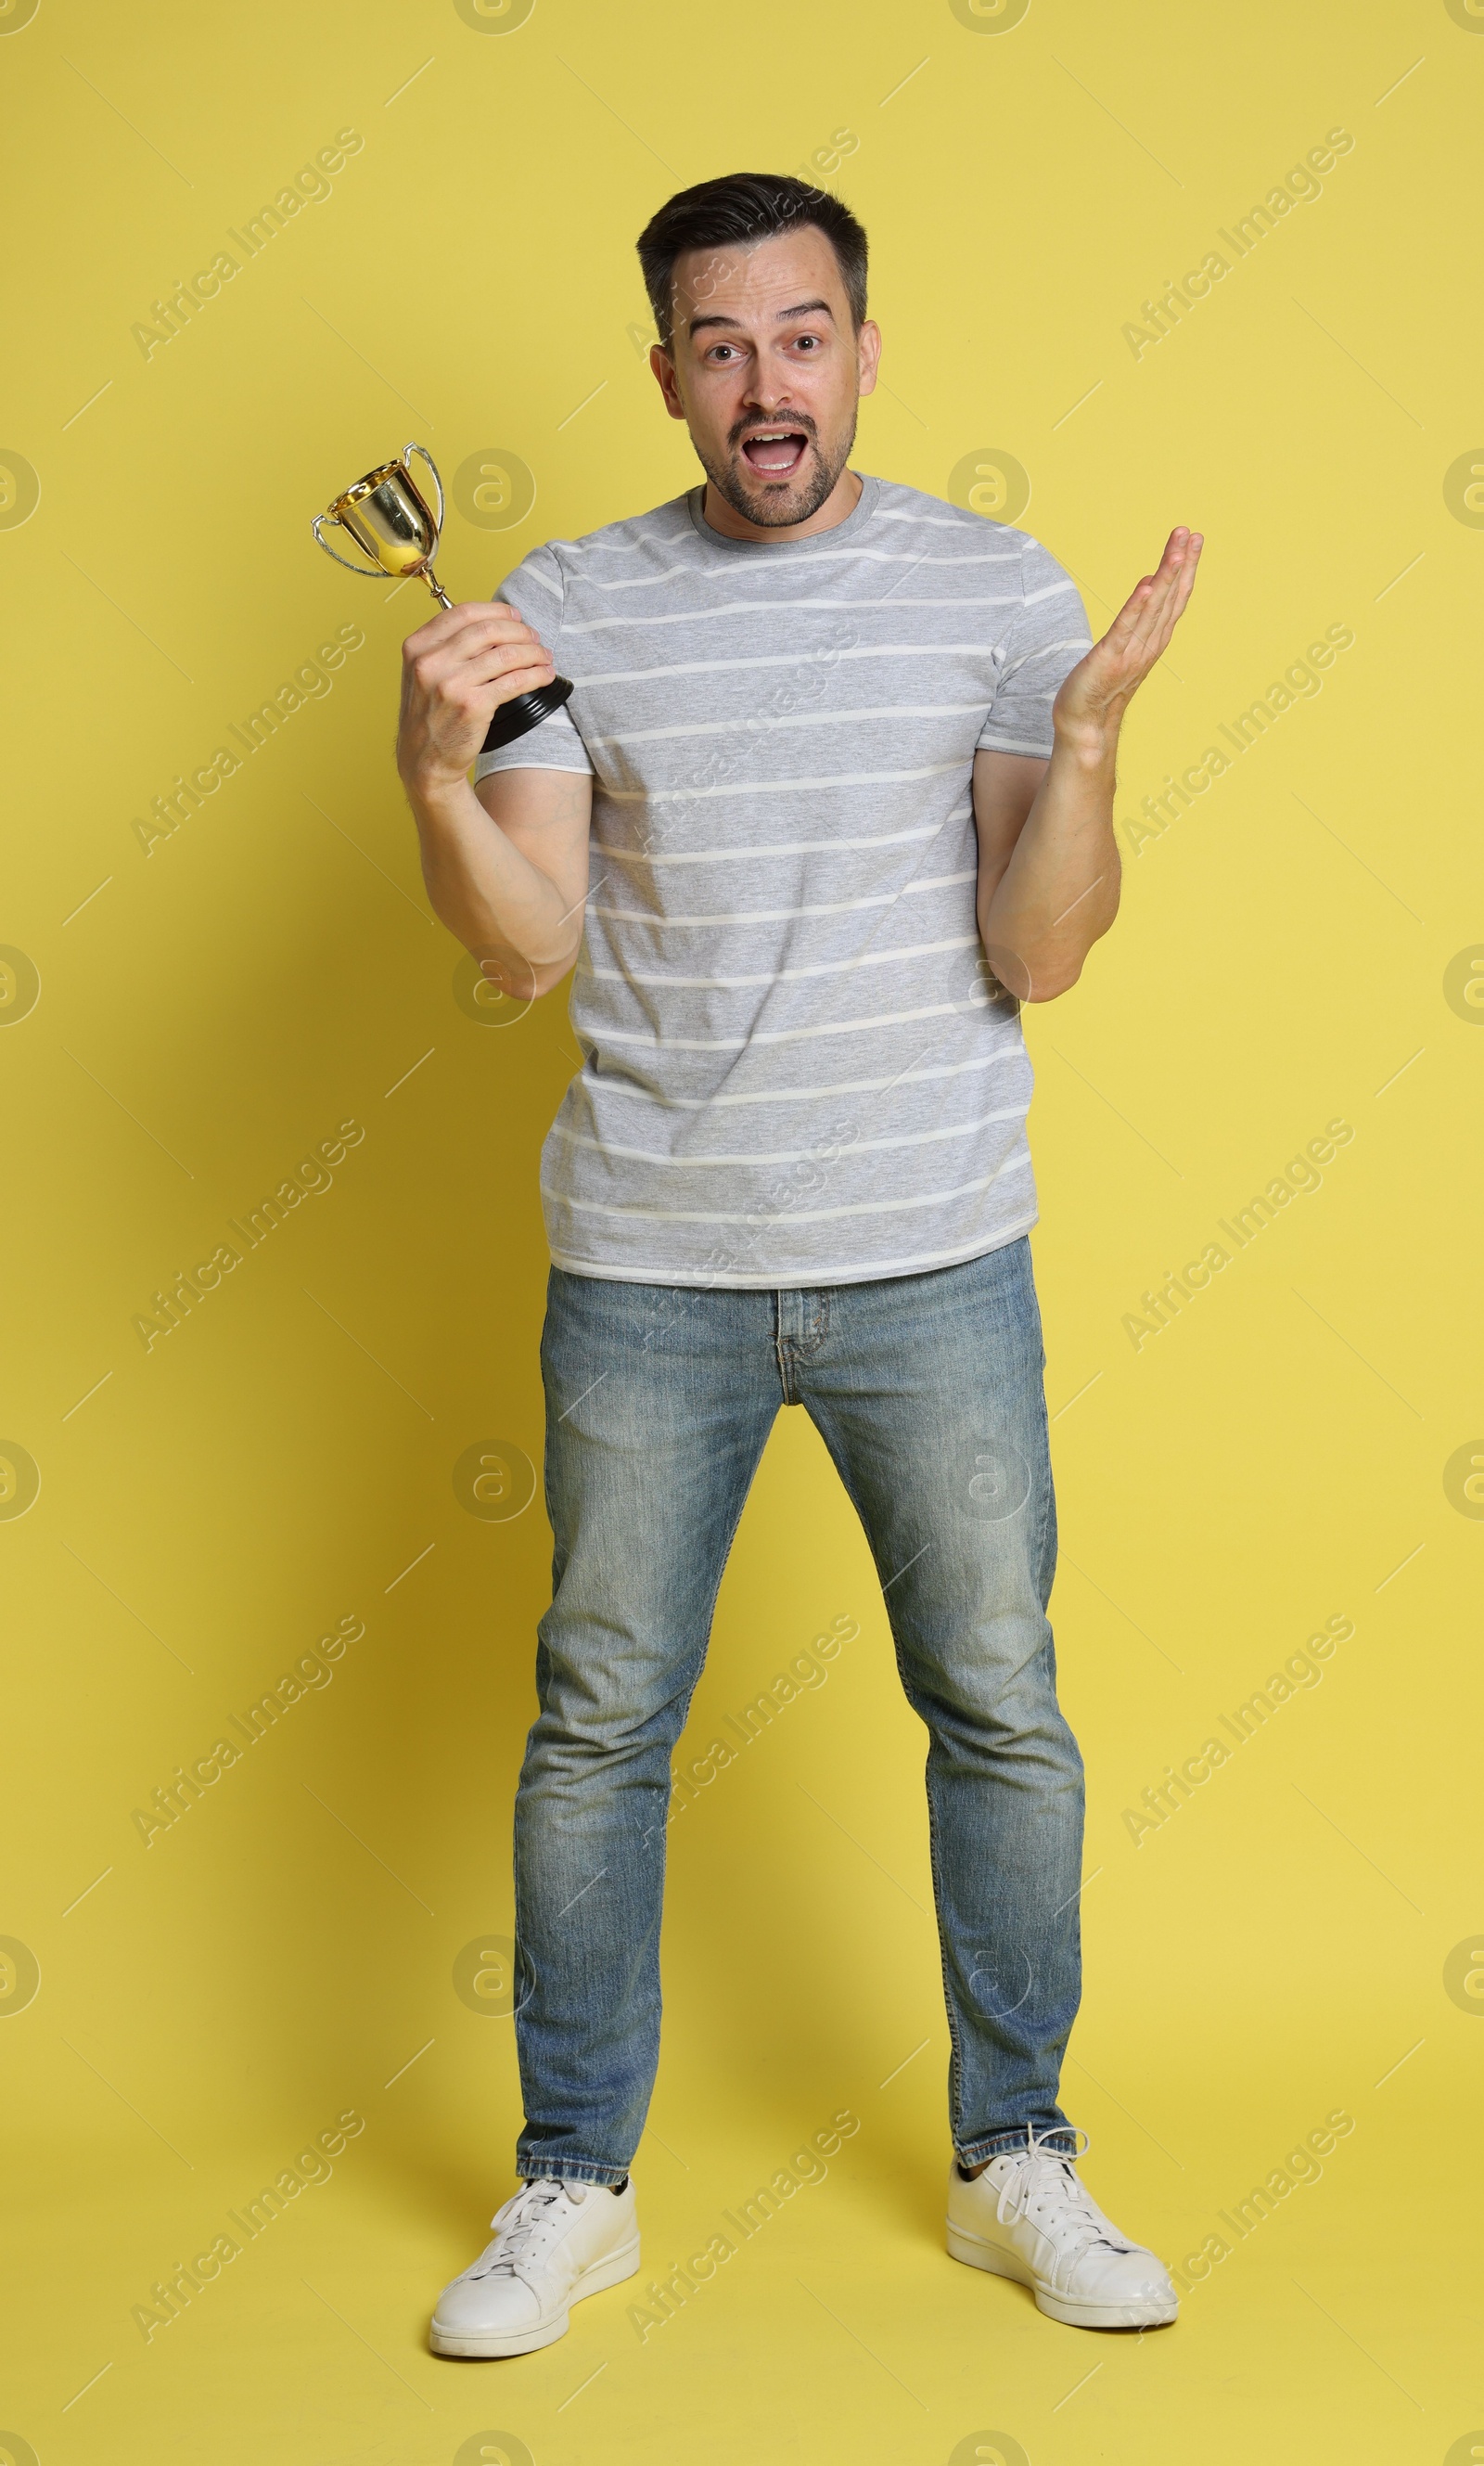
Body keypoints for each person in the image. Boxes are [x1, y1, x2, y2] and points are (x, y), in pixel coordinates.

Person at [397, 172, 1202, 2360]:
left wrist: (1098, 739)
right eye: (720, 344)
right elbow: (530, 944)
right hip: (648, 1267)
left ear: (863, 344)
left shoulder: (989, 590)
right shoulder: (569, 603)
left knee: (997, 1707)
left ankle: (1010, 2154)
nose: (768, 383)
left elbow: (1035, 948)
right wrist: (429, 777)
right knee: (597, 1725)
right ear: (663, 372)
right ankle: (570, 2184)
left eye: (804, 332)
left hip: (930, 1258)